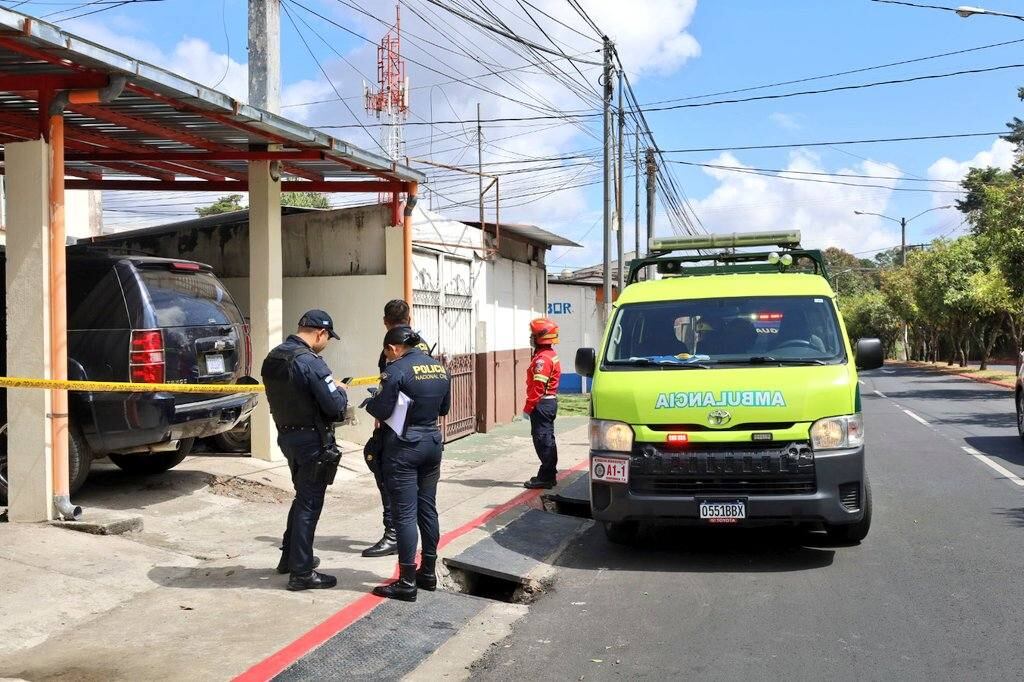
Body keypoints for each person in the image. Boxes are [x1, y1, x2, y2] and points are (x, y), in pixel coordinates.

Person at [261, 310, 348, 591]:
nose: (326, 343)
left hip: (288, 437)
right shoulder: (311, 363)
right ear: (320, 333)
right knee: (310, 503)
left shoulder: (273, 357)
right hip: (313, 442)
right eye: (328, 338)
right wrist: (341, 390)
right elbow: (335, 408)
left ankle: (291, 557)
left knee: (302, 498)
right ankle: (301, 573)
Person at [364, 326, 451, 602]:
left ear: (392, 348)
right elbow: (444, 409)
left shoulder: (396, 370)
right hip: (432, 444)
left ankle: (406, 581)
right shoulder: (439, 368)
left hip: (404, 447)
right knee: (428, 508)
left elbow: (383, 410)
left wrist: (371, 402)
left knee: (404, 513)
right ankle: (428, 572)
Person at [362, 299, 431, 558]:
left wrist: (377, 410)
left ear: (385, 322)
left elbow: (388, 388)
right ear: (409, 319)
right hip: (423, 426)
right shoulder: (421, 345)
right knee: (422, 491)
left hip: (397, 426)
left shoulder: (393, 348)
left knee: (388, 479)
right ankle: (414, 537)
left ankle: (393, 533)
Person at [522, 318, 562, 489]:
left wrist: (528, 407)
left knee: (542, 440)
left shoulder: (542, 360)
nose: (531, 338)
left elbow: (538, 387)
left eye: (533, 335)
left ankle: (546, 477)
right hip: (548, 403)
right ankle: (548, 474)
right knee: (547, 439)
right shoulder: (548, 355)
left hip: (542, 404)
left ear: (541, 337)